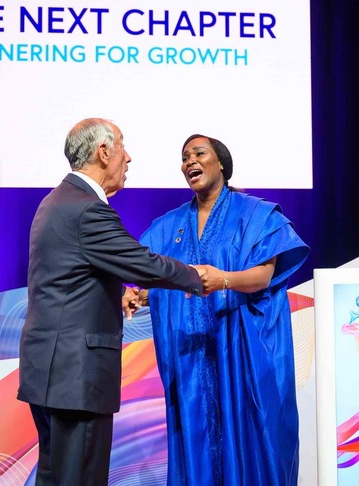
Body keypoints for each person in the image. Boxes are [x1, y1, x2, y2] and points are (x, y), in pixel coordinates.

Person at [17, 118, 205, 485]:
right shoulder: (87, 209)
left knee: (57, 478)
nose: (128, 157)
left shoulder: (55, 201)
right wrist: (199, 277)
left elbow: (68, 275)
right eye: (122, 146)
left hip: (49, 372)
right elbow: (143, 263)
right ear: (103, 152)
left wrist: (115, 294)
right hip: (76, 377)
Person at [135, 134, 309, 485]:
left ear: (222, 164)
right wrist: (140, 294)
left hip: (242, 348)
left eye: (199, 153)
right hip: (193, 357)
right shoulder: (169, 226)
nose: (189, 161)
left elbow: (264, 275)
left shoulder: (255, 214)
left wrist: (224, 280)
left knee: (254, 436)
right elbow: (158, 277)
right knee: (197, 440)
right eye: (184, 157)